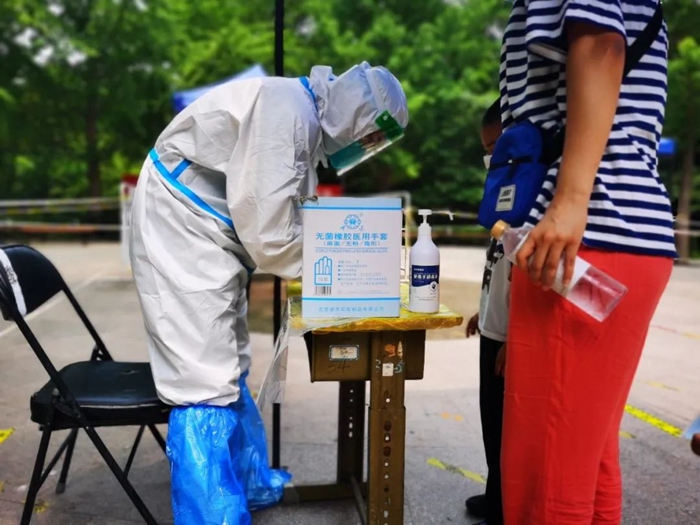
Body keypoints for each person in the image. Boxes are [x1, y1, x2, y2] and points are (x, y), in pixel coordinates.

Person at [129, 62, 408, 524]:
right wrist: (342, 272)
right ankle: (212, 516)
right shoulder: (286, 113)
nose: (366, 146)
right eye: (371, 136)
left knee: (229, 358)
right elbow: (273, 236)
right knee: (203, 379)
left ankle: (246, 481)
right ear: (358, 114)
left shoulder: (300, 118)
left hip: (210, 229)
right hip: (181, 226)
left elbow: (285, 218)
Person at [498, 1, 675, 524]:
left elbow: (600, 44)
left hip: (581, 240)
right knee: (586, 464)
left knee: (546, 481)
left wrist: (571, 201)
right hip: (617, 234)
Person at [464, 99, 507, 525]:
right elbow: (498, 265)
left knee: (508, 429)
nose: (490, 157)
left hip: (511, 338)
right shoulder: (502, 195)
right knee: (491, 422)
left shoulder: (530, 194)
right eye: (486, 149)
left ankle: (505, 506)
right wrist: (483, 310)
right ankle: (496, 494)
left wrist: (517, 337)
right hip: (493, 328)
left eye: (495, 147)